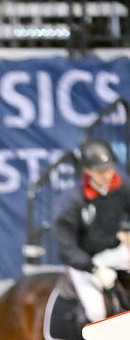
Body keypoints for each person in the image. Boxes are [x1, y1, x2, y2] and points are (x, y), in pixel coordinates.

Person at [55, 138, 130, 327]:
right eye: (101, 171)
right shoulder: (72, 201)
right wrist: (94, 269)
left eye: (110, 168)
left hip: (115, 251)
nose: (108, 175)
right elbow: (67, 249)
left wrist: (127, 232)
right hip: (87, 262)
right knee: (97, 313)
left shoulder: (122, 186)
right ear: (88, 171)